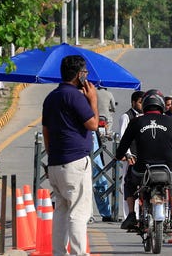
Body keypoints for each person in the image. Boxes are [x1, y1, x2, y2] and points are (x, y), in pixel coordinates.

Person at [41, 55, 99, 256]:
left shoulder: (51, 97)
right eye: (85, 73)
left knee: (62, 211)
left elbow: (46, 130)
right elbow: (92, 124)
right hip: (75, 162)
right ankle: (78, 253)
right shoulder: (74, 96)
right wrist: (93, 99)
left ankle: (59, 252)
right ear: (79, 75)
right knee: (78, 213)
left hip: (56, 163)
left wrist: (52, 156)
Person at [116, 92, 172, 231]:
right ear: (161, 105)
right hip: (167, 170)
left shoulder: (136, 121)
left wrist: (119, 156)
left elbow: (123, 145)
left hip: (142, 170)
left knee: (129, 179)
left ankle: (131, 214)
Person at [92, 116, 117, 222]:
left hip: (96, 160)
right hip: (84, 158)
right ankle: (88, 214)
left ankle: (106, 213)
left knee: (100, 185)